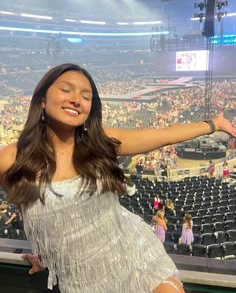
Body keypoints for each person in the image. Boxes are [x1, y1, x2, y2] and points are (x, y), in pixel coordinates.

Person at [0, 63, 236, 293]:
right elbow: (27, 209)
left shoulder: (100, 142)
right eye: (65, 89)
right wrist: (44, 253)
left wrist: (213, 124)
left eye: (86, 96)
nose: (76, 99)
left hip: (133, 251)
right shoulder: (11, 158)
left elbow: (162, 135)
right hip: (82, 280)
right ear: (42, 99)